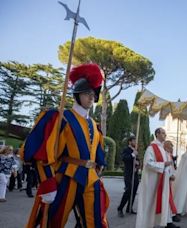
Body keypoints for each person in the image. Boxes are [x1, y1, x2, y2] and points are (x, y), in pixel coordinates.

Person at [21, 64, 109, 227]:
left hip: (91, 179)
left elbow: (97, 153)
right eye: (87, 93)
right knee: (54, 221)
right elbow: (43, 153)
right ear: (77, 94)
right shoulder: (61, 118)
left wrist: (99, 168)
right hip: (67, 177)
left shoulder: (95, 125)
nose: (91, 98)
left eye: (93, 94)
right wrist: (47, 183)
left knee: (96, 222)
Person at [135, 128, 179, 228]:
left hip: (160, 180)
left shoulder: (161, 148)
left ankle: (155, 223)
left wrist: (169, 174)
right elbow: (148, 163)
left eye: (165, 133)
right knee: (149, 203)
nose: (165, 135)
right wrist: (164, 164)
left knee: (157, 202)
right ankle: (144, 224)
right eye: (163, 133)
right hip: (151, 182)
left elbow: (165, 166)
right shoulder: (151, 148)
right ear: (157, 134)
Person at [117, 135, 140, 217]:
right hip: (128, 173)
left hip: (135, 173)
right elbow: (124, 158)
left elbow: (137, 161)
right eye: (134, 141)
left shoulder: (136, 150)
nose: (135, 142)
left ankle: (129, 208)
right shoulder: (126, 150)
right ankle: (120, 208)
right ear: (130, 142)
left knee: (134, 191)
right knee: (128, 190)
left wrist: (138, 164)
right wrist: (133, 155)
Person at [163, 140, 180, 222]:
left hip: (171, 179)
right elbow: (166, 167)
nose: (172, 147)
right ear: (166, 146)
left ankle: (172, 214)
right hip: (167, 179)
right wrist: (170, 176)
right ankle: (171, 215)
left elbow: (172, 167)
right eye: (170, 145)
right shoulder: (164, 155)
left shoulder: (169, 155)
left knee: (171, 198)